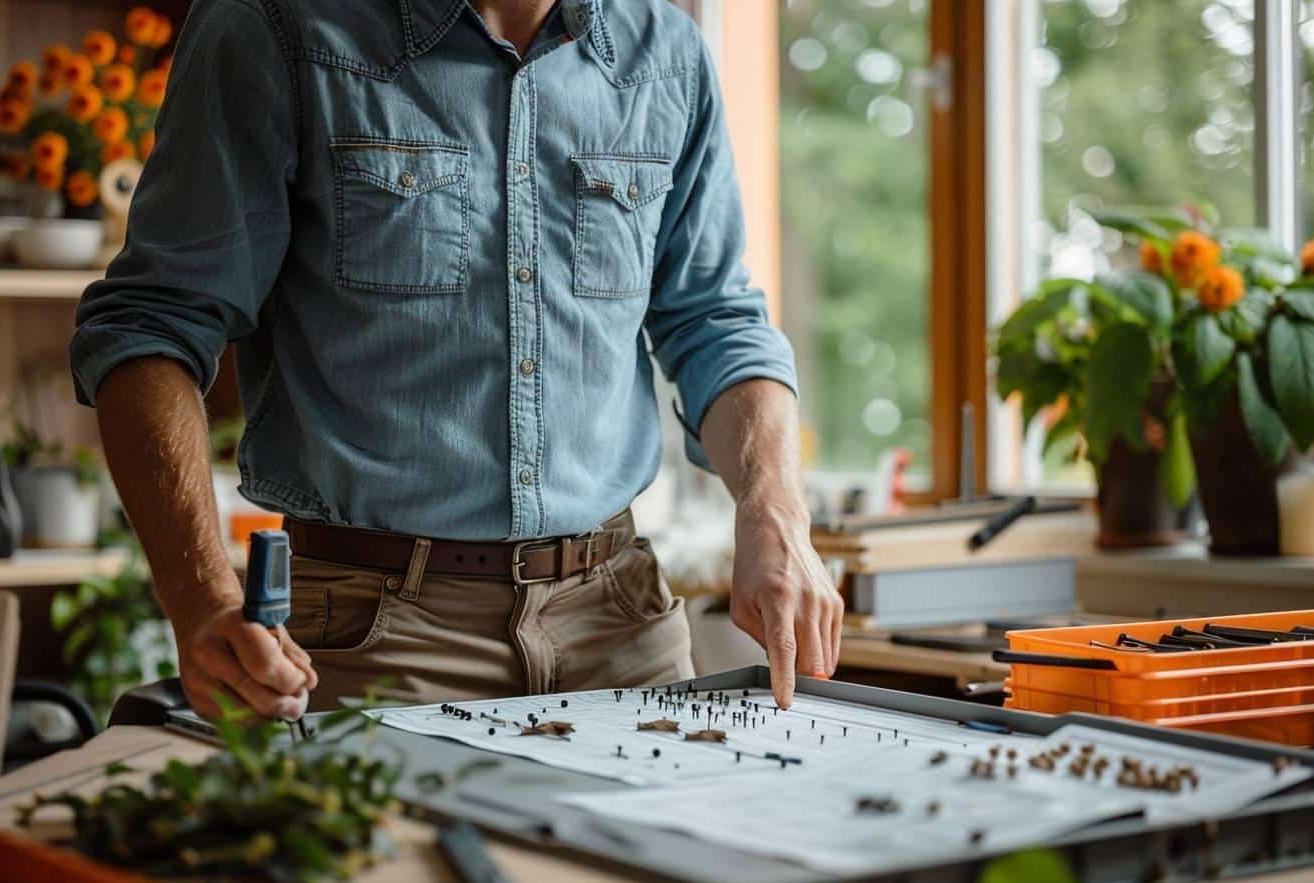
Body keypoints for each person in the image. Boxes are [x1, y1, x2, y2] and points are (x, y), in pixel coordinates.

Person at [70, 0, 842, 721]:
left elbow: (716, 319)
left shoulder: (665, 52)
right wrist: (200, 596)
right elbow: (151, 325)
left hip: (622, 623)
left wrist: (774, 510)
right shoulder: (274, 27)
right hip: (371, 634)